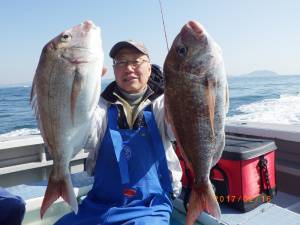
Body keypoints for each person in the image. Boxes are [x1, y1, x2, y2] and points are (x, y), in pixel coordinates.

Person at [54, 40, 182, 225]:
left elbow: (177, 131)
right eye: (121, 62)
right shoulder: (100, 106)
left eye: (136, 61)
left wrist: (181, 96)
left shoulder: (163, 103)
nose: (128, 68)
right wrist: (79, 94)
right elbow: (85, 136)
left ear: (149, 67)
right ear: (114, 70)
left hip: (150, 205)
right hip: (100, 203)